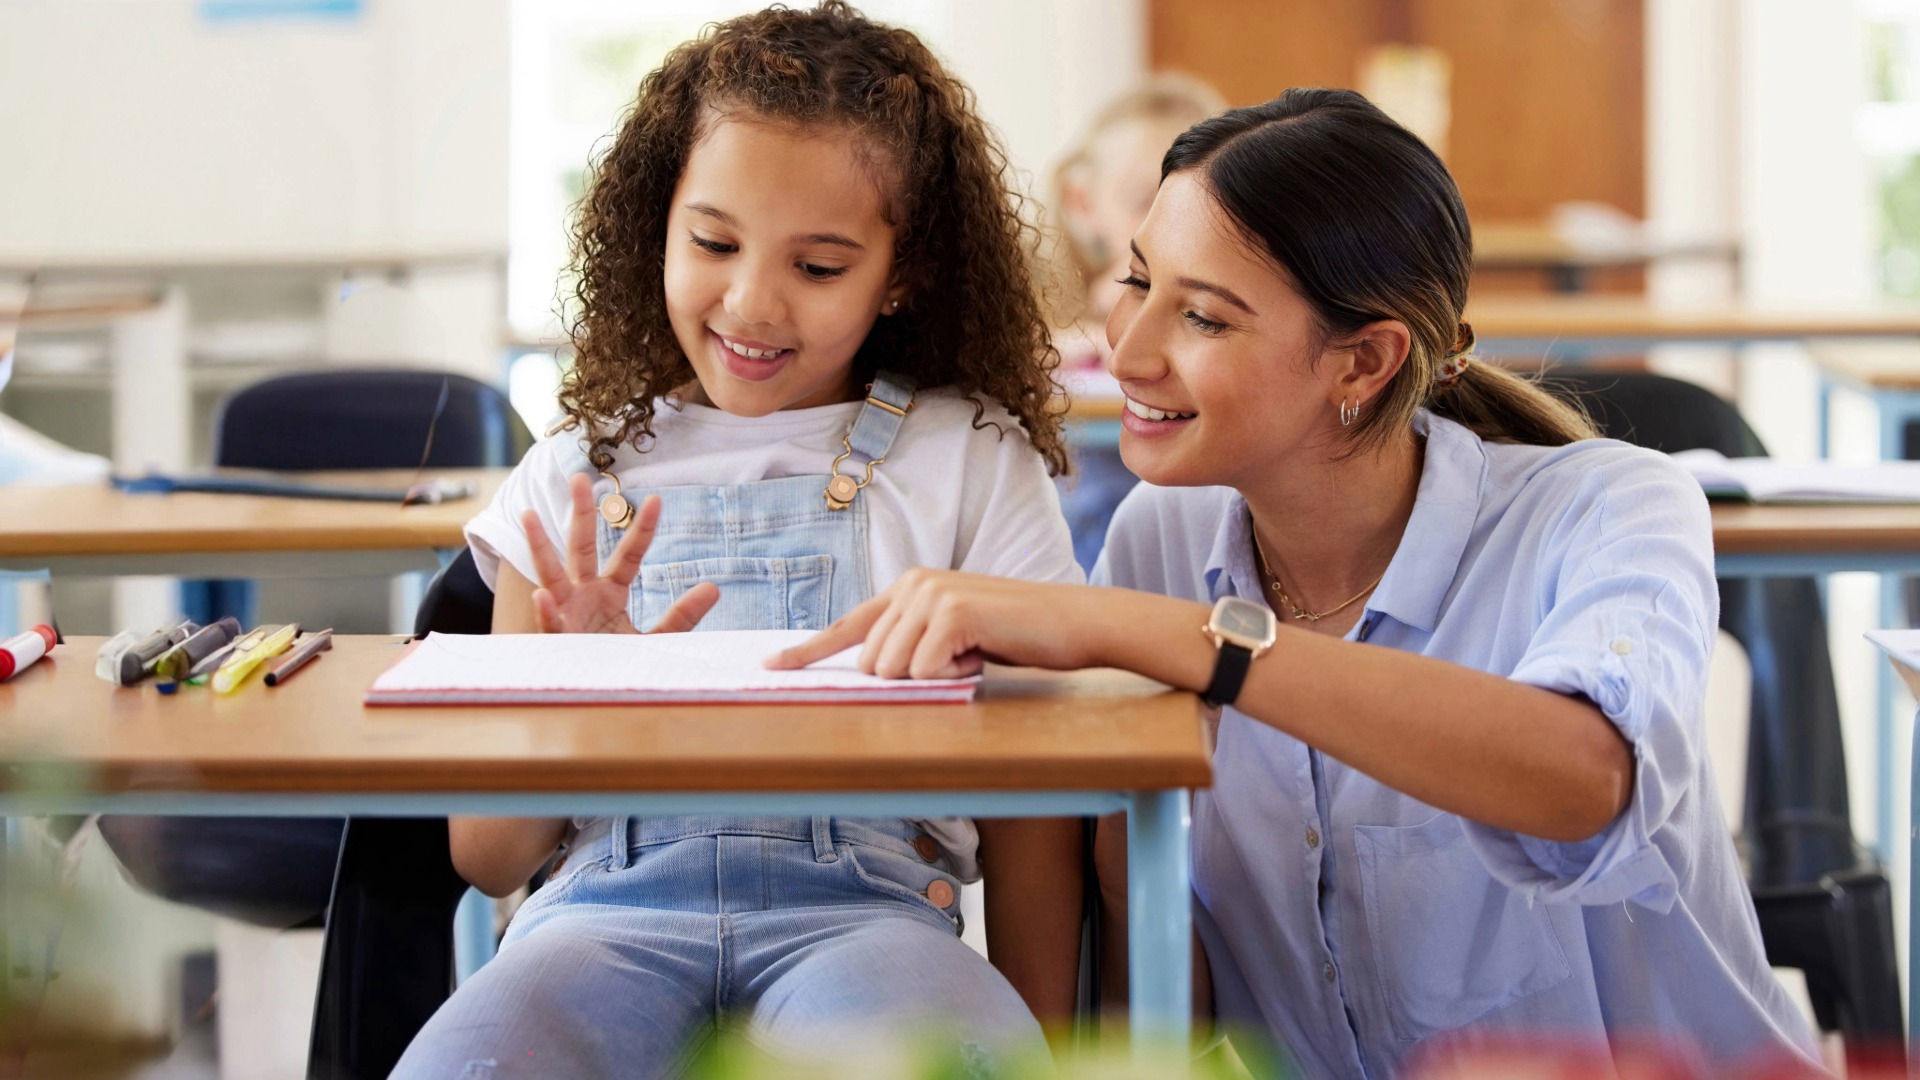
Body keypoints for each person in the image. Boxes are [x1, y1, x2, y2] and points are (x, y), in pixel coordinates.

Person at [770, 88, 1824, 1076]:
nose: (1127, 353)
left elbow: (1581, 783)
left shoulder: (1611, 507)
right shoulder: (1162, 539)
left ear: (1362, 364)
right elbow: (1159, 976)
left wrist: (1172, 637)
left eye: (1204, 318)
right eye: (1138, 280)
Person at [393, 5, 1082, 1077]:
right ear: (655, 222)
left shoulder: (971, 459)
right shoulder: (573, 472)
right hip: (594, 925)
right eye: (714, 243)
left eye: (819, 267)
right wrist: (568, 687)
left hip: (867, 923)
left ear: (903, 273)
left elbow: (1038, 813)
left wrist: (1051, 1048)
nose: (752, 302)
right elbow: (488, 858)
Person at [1049, 74, 1225, 571]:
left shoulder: (1227, 306)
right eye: (1145, 201)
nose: (1174, 227)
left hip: (1187, 548)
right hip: (1077, 555)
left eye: (1204, 206)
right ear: (1084, 204)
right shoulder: (1059, 303)